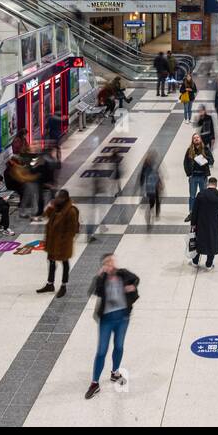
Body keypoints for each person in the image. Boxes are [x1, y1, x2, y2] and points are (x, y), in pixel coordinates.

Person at [85, 254, 140, 399]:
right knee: (102, 351)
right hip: (107, 320)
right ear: (103, 265)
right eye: (107, 263)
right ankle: (94, 382)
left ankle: (115, 372)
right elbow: (92, 291)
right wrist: (99, 277)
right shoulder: (101, 280)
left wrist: (131, 287)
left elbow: (136, 279)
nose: (110, 264)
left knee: (119, 346)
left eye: (111, 261)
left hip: (122, 318)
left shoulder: (122, 273)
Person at [189, 177, 218, 269]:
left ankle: (195, 262)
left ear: (207, 183)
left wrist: (193, 223)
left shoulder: (201, 194)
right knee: (212, 242)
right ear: (216, 184)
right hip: (214, 223)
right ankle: (209, 264)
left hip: (201, 222)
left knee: (198, 241)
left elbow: (195, 211)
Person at [183, 133, 213, 213]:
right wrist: (189, 174)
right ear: (192, 140)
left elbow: (211, 161)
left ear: (200, 139)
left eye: (197, 137)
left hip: (203, 177)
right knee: (192, 196)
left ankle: (203, 211)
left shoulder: (205, 149)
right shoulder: (189, 150)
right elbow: (185, 163)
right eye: (194, 138)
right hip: (193, 177)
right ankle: (191, 212)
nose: (196, 139)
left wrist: (204, 158)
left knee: (204, 196)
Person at [138, 154, 162, 226]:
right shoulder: (146, 168)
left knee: (156, 200)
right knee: (153, 202)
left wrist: (160, 183)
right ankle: (152, 213)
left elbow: (157, 175)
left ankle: (155, 212)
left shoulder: (151, 166)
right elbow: (142, 178)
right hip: (150, 188)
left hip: (154, 187)